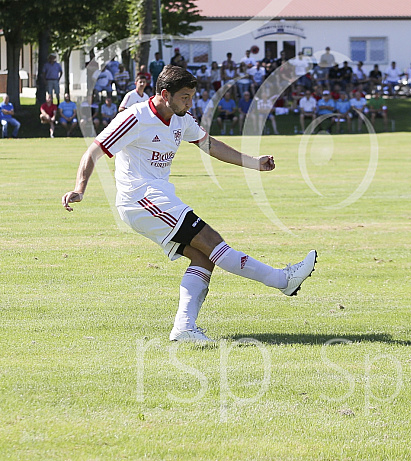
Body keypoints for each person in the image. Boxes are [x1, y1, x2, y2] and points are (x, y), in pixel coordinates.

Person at [61, 65, 317, 342]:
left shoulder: (182, 119)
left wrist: (253, 163)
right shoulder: (135, 118)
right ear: (164, 94)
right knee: (212, 240)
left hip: (158, 196)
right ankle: (282, 280)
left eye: (192, 96)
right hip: (140, 198)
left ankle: (184, 329)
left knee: (203, 257)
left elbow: (211, 145)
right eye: (185, 96)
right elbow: (94, 151)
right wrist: (80, 188)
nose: (190, 102)